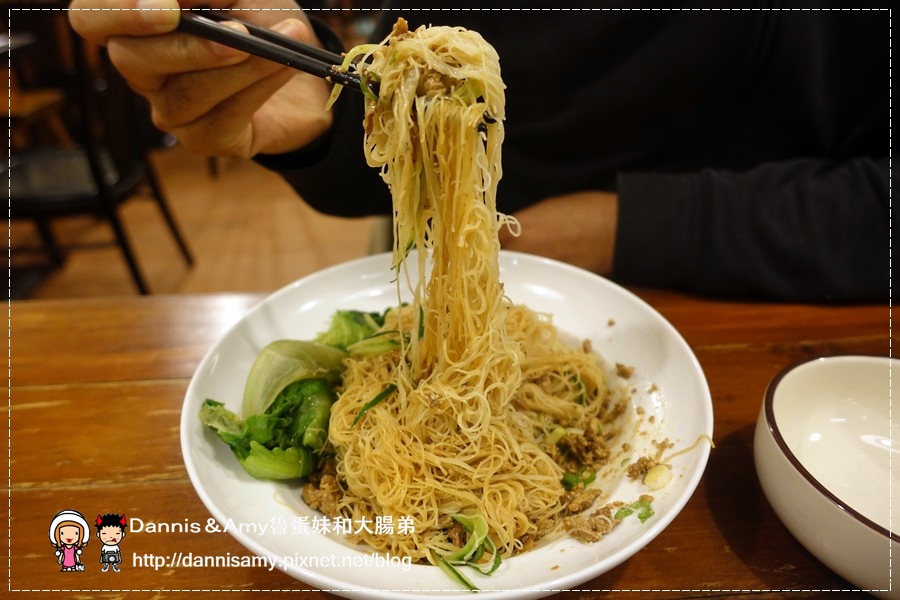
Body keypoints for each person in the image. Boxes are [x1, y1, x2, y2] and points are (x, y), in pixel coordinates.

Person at [67, 1, 889, 302]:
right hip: (466, 268)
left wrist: (622, 225)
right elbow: (414, 125)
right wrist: (324, 120)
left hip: (758, 302)